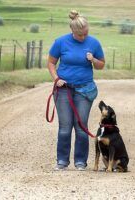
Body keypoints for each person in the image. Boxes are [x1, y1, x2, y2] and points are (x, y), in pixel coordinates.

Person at [47, 10, 105, 171]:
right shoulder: (60, 42)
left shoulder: (94, 43)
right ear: (73, 31)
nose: (83, 37)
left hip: (84, 90)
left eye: (86, 34)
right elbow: (51, 63)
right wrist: (56, 79)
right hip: (63, 89)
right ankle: (62, 161)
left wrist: (93, 59)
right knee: (65, 126)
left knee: (81, 125)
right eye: (80, 35)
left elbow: (101, 65)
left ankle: (80, 162)